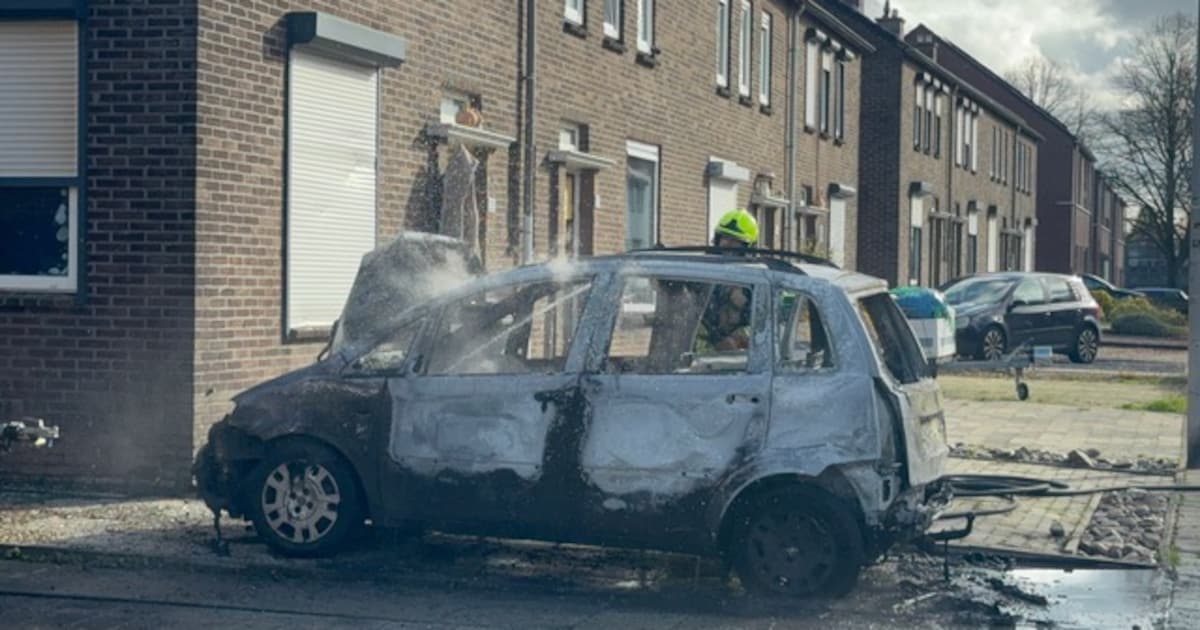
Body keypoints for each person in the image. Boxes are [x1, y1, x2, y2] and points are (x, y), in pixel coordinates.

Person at [697, 209, 759, 352]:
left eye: (735, 241)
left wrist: (737, 339)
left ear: (747, 247)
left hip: (741, 362)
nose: (727, 244)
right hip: (699, 356)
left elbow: (765, 323)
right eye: (724, 238)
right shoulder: (702, 273)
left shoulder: (756, 281)